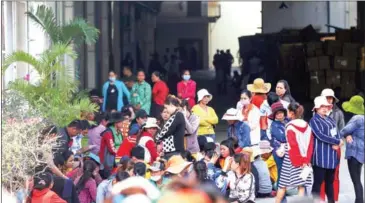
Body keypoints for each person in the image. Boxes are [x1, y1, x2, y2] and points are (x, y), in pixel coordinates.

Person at [275, 103, 314, 203]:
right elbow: (310, 144)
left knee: (283, 185)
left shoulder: (290, 127)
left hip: (291, 159)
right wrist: (306, 160)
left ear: (291, 113)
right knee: (301, 185)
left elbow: (293, 146)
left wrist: (298, 161)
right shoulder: (307, 126)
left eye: (287, 111)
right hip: (305, 159)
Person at [310, 96, 343, 203]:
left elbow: (336, 132)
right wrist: (336, 142)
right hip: (320, 157)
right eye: (322, 106)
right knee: (318, 182)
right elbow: (320, 135)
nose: (324, 108)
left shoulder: (330, 120)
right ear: (316, 108)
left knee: (330, 182)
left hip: (331, 157)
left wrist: (338, 141)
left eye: (326, 106)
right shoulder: (314, 120)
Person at [319, 88, 344, 203]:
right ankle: (321, 199)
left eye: (331, 98)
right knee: (321, 174)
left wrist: (339, 142)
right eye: (327, 98)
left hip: (335, 147)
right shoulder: (317, 112)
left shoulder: (338, 113)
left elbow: (342, 130)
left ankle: (334, 199)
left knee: (334, 174)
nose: (329, 100)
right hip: (321, 147)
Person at [340, 95, 364, 203]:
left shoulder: (356, 118)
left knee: (356, 180)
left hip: (354, 152)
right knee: (358, 179)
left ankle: (359, 201)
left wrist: (346, 135)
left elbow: (343, 131)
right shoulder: (363, 118)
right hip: (361, 152)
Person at [156, 96, 186, 160]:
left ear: (171, 105)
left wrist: (157, 137)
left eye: (166, 107)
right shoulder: (175, 115)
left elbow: (167, 130)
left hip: (174, 151)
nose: (166, 110)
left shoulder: (178, 115)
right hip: (171, 151)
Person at [99, 112, 125, 178]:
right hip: (108, 162)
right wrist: (122, 153)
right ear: (116, 122)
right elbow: (112, 149)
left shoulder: (119, 132)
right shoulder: (108, 133)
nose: (123, 123)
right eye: (121, 121)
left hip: (116, 160)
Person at [269, 102, 288, 182]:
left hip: (286, 150)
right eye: (277, 113)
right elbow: (282, 138)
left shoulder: (287, 121)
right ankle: (280, 192)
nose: (280, 115)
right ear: (274, 115)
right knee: (281, 172)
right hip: (278, 151)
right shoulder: (274, 125)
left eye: (281, 113)